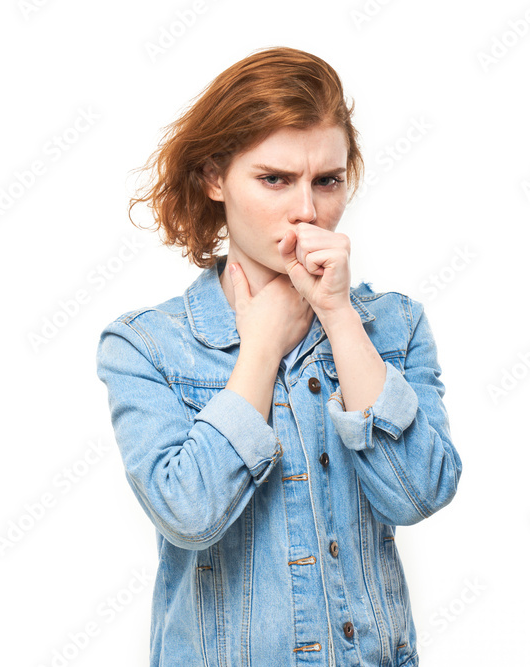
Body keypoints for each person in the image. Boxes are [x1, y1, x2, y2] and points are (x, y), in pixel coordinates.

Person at [95, 45, 461, 666]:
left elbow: (419, 493)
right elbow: (189, 514)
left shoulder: (394, 325)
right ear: (215, 179)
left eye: (328, 181)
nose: (307, 211)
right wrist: (261, 347)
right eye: (274, 179)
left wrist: (339, 317)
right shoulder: (146, 346)